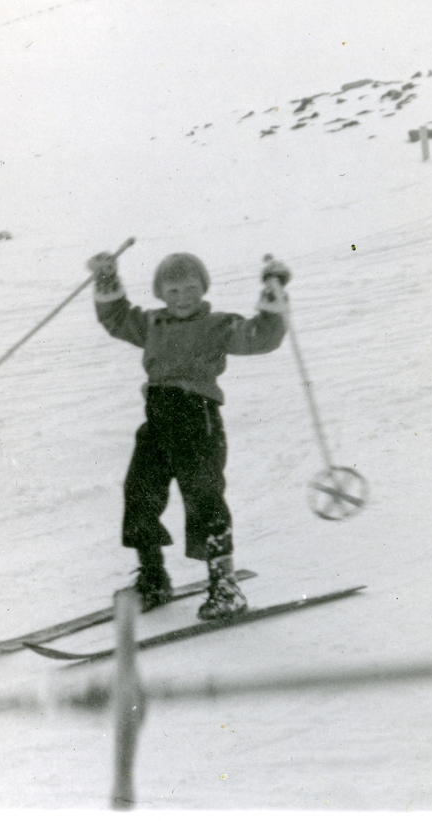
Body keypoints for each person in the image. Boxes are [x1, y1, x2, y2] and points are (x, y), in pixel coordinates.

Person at [87, 249, 290, 619]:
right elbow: (116, 318)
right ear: (161, 293)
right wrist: (105, 278)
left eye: (191, 288)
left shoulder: (217, 325)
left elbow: (261, 337)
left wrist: (274, 296)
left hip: (198, 420)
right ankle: (153, 576)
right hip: (157, 420)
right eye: (174, 290)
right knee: (139, 492)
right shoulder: (151, 325)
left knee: (204, 497)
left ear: (204, 287)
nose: (183, 297)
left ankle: (224, 586)